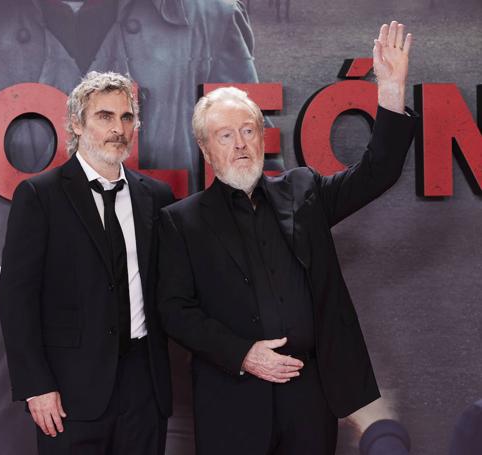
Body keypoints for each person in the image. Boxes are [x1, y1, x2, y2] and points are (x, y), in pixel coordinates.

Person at [0, 1, 257, 453]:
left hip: (174, 369)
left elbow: (250, 197)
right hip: (9, 376)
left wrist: (243, 348)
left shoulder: (211, 20)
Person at [157, 21, 417, 455]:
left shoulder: (303, 190)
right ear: (206, 150)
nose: (240, 143)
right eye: (225, 135)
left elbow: (379, 172)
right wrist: (243, 354)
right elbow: (175, 311)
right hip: (232, 399)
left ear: (262, 136)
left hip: (310, 395)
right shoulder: (181, 222)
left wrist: (390, 90)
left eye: (248, 130)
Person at [0, 71, 174, 454]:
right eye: (105, 116)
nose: (119, 128)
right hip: (68, 392)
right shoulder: (39, 196)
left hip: (144, 387)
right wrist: (36, 386)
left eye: (127, 117)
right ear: (77, 123)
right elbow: (17, 300)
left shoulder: (156, 196)